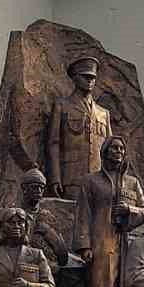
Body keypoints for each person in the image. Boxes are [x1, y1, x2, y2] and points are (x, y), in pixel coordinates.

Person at [72, 135, 144, 287]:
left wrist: (129, 211)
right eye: (113, 148)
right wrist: (84, 246)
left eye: (121, 149)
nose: (118, 152)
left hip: (126, 242)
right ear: (104, 152)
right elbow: (82, 214)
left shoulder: (132, 183)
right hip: (100, 240)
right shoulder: (91, 181)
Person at [47, 56, 113, 200]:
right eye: (85, 76)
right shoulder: (62, 106)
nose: (90, 81)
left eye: (93, 77)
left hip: (99, 180)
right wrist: (55, 177)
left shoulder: (104, 113)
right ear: (75, 78)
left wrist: (113, 181)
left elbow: (110, 150)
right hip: (71, 177)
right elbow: (54, 144)